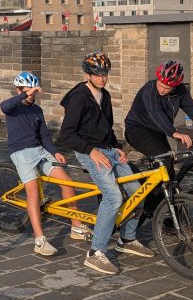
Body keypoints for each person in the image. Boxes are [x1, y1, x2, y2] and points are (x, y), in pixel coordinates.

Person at [60, 52, 154, 276]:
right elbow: (67, 134)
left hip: (108, 150)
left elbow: (106, 128)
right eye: (97, 74)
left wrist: (116, 147)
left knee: (139, 191)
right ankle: (95, 252)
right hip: (88, 151)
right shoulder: (78, 98)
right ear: (87, 75)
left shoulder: (106, 96)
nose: (102, 78)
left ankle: (127, 239)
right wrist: (91, 151)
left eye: (105, 74)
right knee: (113, 197)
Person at [2, 72, 88, 256]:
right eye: (28, 91)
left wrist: (55, 152)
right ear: (19, 90)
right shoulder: (13, 107)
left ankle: (76, 226)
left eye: (34, 91)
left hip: (40, 151)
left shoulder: (37, 110)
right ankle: (40, 240)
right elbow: (4, 106)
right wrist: (26, 93)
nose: (32, 95)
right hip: (21, 152)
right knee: (32, 191)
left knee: (67, 182)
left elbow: (44, 136)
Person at [124, 60, 193, 161]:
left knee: (169, 162)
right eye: (160, 85)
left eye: (167, 88)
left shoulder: (181, 91)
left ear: (175, 86)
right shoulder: (150, 89)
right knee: (163, 158)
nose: (162, 90)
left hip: (158, 131)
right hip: (137, 129)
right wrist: (173, 132)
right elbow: (155, 112)